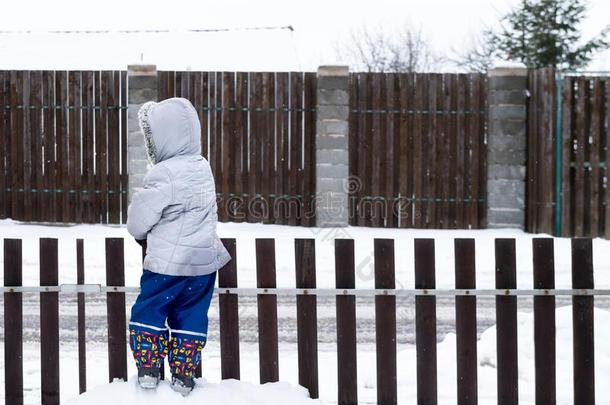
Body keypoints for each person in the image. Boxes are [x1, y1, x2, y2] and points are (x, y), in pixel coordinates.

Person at [126, 97, 231, 396]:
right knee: (191, 314)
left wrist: (140, 232)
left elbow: (140, 218)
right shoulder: (203, 167)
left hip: (167, 265)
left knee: (150, 309)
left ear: (161, 138)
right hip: (202, 265)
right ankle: (184, 374)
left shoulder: (164, 172)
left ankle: (148, 369)